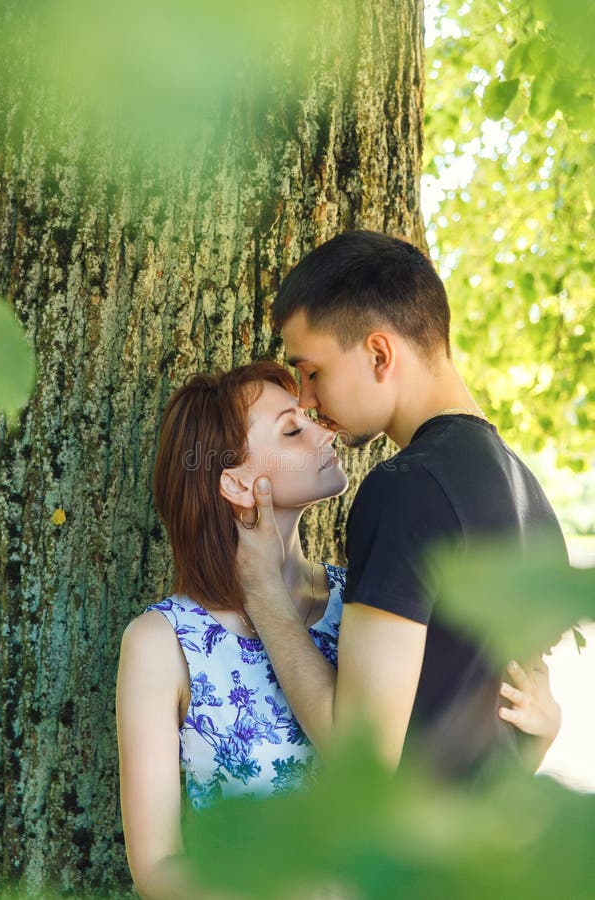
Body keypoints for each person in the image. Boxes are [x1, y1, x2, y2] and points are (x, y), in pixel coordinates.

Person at [116, 360, 559, 899]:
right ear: (234, 481)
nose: (326, 429)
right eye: (292, 429)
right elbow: (157, 867)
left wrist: (532, 740)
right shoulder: (162, 643)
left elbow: (437, 786)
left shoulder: (372, 602)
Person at [234, 230, 567, 780]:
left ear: (379, 353)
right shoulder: (531, 495)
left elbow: (362, 758)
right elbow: (520, 741)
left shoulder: (407, 488)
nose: (306, 399)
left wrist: (264, 593)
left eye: (312, 372)